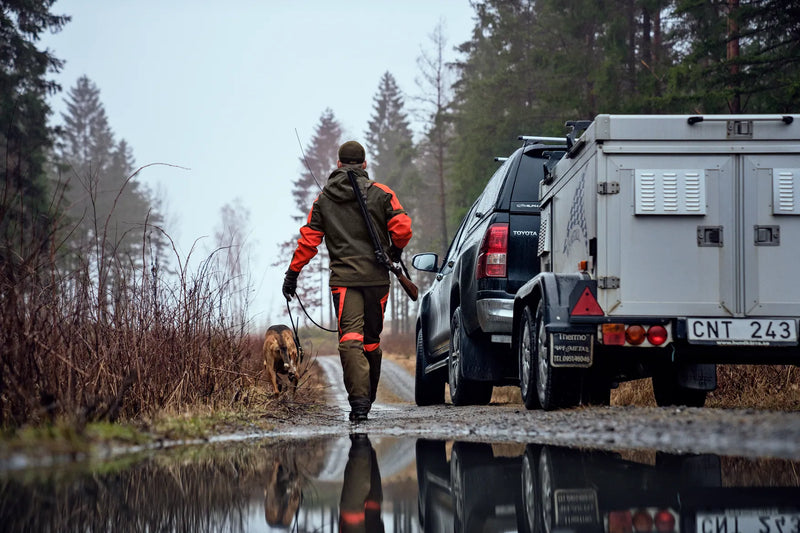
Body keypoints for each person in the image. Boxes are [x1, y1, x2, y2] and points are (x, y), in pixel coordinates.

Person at [283, 140, 412, 422]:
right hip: (377, 280)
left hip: (343, 282)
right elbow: (403, 228)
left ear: (339, 164)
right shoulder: (382, 193)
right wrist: (395, 250)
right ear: (364, 164)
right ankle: (367, 397)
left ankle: (359, 403)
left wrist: (292, 274)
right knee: (371, 341)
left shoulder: (323, 199)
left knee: (350, 339)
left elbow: (309, 241)